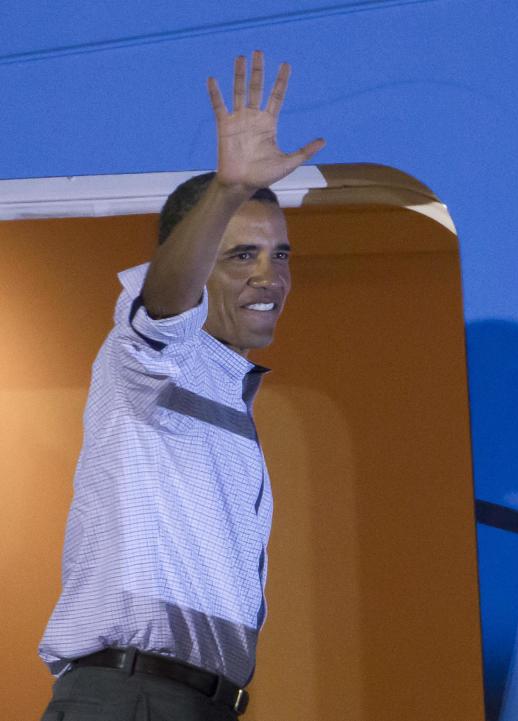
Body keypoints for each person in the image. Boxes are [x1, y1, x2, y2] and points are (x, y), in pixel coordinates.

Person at [37, 51, 324, 721]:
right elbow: (163, 307)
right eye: (241, 254)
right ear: (194, 261)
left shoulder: (228, 391)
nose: (270, 275)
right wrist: (227, 190)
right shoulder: (151, 360)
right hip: (129, 700)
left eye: (280, 254)